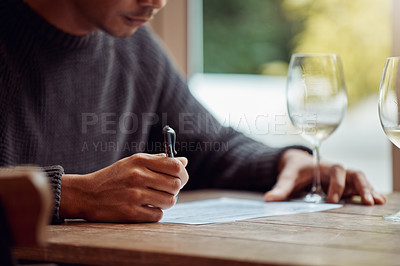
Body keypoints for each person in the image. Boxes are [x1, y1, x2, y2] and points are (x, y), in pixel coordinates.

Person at [0, 0, 386, 224]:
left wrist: (284, 163)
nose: (157, 2)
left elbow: (208, 146)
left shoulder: (135, 49)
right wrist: (70, 194)